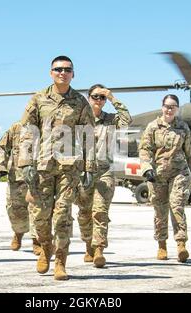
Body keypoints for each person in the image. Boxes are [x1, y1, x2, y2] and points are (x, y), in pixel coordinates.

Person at [19, 55, 96, 280]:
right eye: (58, 69)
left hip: (69, 167)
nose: (63, 72)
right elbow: (27, 131)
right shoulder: (38, 99)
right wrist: (25, 162)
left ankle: (60, 262)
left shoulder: (80, 102)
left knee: (62, 215)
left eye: (67, 69)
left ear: (73, 74)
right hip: (42, 166)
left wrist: (89, 167)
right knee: (41, 216)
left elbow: (89, 136)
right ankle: (45, 248)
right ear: (51, 72)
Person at [138, 94, 191, 263]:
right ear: (162, 107)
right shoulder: (153, 127)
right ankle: (161, 245)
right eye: (167, 106)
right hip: (157, 175)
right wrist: (147, 169)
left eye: (173, 106)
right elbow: (144, 150)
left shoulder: (183, 128)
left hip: (178, 173)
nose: (169, 109)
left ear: (177, 109)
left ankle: (181, 245)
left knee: (177, 206)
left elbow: (190, 153)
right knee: (160, 210)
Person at [76, 84, 132, 268]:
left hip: (104, 171)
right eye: (95, 96)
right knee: (84, 213)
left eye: (102, 97)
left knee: (100, 211)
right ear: (88, 97)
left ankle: (99, 249)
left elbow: (127, 119)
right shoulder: (80, 119)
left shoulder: (111, 119)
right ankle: (88, 246)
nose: (98, 100)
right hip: (83, 171)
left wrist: (113, 97)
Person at [0, 121, 41, 255]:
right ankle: (18, 233)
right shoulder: (16, 128)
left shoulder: (47, 127)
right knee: (15, 210)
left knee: (37, 210)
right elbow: (2, 146)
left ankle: (37, 241)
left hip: (39, 178)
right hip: (17, 177)